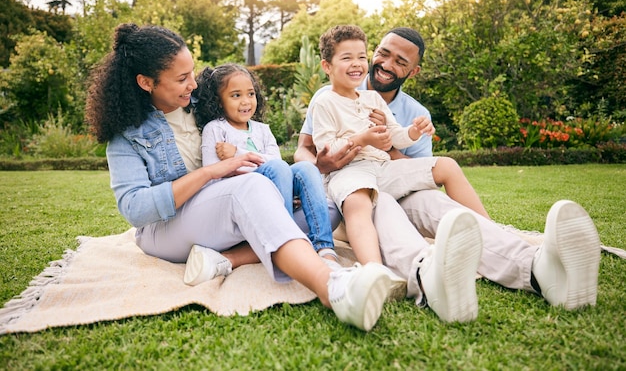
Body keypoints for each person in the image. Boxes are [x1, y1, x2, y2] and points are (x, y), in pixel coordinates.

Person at [84, 22, 405, 332]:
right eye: (182, 79)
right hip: (166, 228)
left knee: (324, 207)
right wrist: (212, 171)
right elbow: (135, 209)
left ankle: (226, 259)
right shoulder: (126, 136)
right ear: (146, 82)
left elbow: (248, 131)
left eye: (192, 73)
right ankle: (332, 286)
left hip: (220, 212)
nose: (193, 85)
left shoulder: (202, 104)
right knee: (247, 187)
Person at [294, 25, 602, 319]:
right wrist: (322, 168)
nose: (383, 64)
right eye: (382, 53)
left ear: (412, 72)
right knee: (380, 203)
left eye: (399, 62)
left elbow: (411, 165)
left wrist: (402, 136)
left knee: (438, 205)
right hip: (351, 193)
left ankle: (537, 269)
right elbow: (309, 149)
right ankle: (425, 275)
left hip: (392, 180)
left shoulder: (409, 110)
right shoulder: (328, 97)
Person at [308, 24, 490, 265]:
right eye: (347, 58)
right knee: (358, 203)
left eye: (361, 57)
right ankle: (373, 268)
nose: (357, 63)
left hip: (383, 170)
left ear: (413, 71)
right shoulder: (325, 101)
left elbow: (396, 135)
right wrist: (364, 138)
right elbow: (326, 147)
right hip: (349, 173)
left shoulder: (374, 99)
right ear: (327, 66)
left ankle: (490, 232)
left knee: (447, 165)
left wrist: (414, 131)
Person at [193, 63, 339, 265]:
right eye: (236, 95)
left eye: (250, 94)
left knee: (306, 168)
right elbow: (214, 176)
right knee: (279, 169)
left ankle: (324, 247)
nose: (246, 101)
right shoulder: (216, 129)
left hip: (274, 182)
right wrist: (254, 169)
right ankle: (286, 244)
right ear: (218, 101)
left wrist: (238, 154)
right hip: (246, 192)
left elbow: (274, 161)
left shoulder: (262, 129)